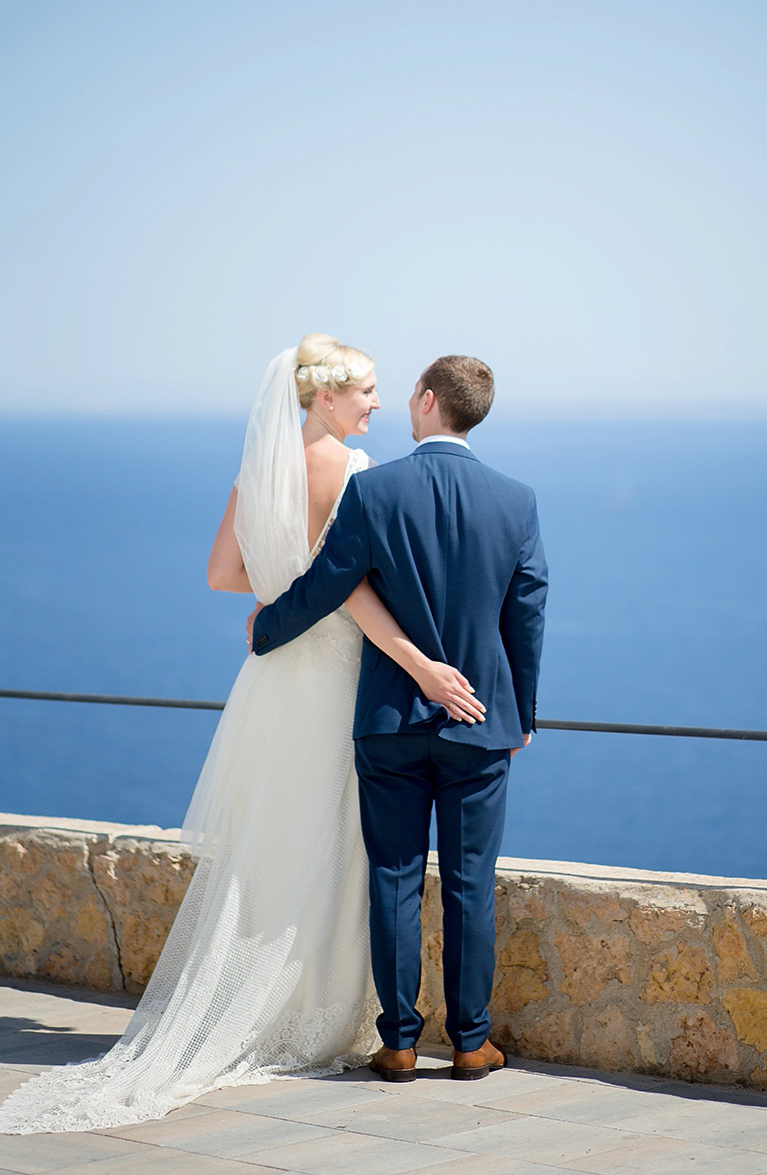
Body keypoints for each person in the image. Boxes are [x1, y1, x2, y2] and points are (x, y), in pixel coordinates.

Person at [0, 335, 482, 1133]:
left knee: (273, 842)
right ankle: (317, 1012)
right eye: (363, 389)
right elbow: (352, 592)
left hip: (273, 677)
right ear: (324, 396)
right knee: (336, 844)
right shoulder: (355, 474)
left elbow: (224, 574)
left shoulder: (262, 470)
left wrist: (279, 592)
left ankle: (265, 1003)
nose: (375, 403)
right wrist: (422, 664)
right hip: (334, 682)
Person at [252, 355, 548, 1081]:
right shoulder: (517, 500)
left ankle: (401, 1041)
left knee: (394, 876)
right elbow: (528, 611)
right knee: (472, 882)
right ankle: (473, 1042)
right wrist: (524, 712)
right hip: (481, 723)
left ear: (425, 400)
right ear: (473, 412)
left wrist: (266, 628)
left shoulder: (374, 489)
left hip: (390, 721)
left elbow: (328, 584)